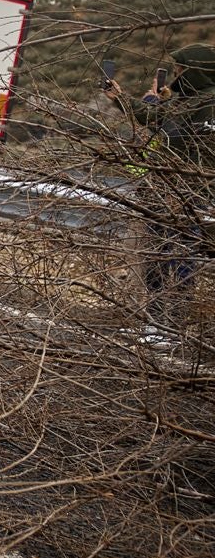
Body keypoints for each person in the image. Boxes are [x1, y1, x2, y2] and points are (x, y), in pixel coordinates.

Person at [106, 44, 215, 342]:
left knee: (178, 260)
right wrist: (122, 99)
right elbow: (155, 119)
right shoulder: (188, 102)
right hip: (163, 192)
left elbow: (190, 144)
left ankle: (171, 328)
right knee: (157, 259)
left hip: (186, 197)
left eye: (181, 70)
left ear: (197, 71)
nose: (176, 75)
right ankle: (155, 324)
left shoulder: (206, 104)